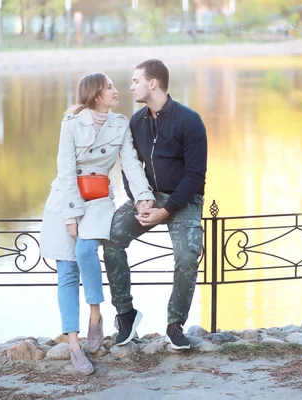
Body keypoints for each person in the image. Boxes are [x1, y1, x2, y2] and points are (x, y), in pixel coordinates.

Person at [39, 72, 155, 374]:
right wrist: (70, 215)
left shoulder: (120, 124)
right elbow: (65, 171)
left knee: (85, 250)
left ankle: (95, 314)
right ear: (95, 94)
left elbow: (130, 162)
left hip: (100, 199)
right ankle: (74, 344)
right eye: (110, 87)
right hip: (66, 199)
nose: (117, 90)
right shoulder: (71, 125)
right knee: (66, 269)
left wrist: (144, 196)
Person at [104, 59, 207, 350]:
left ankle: (175, 324)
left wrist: (167, 209)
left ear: (153, 83)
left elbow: (196, 176)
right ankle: (126, 314)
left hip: (183, 199)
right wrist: (140, 200)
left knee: (187, 255)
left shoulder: (189, 121)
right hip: (146, 198)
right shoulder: (136, 122)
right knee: (111, 238)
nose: (130, 86)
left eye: (135, 81)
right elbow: (129, 167)